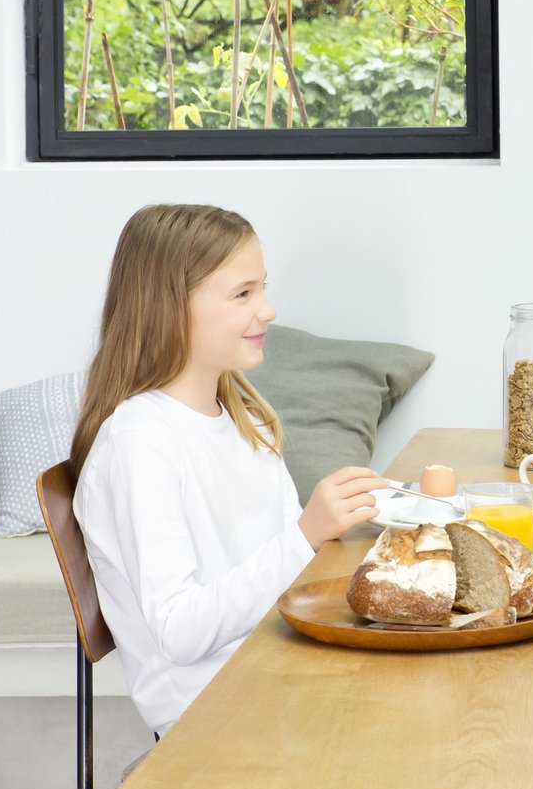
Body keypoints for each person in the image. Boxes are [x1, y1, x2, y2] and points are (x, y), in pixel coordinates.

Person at [71, 204, 388, 736]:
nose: (268, 310)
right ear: (169, 308)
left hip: (277, 669)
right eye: (243, 294)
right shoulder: (139, 444)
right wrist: (306, 534)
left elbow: (286, 571)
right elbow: (178, 632)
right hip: (214, 715)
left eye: (262, 288)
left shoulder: (245, 416)